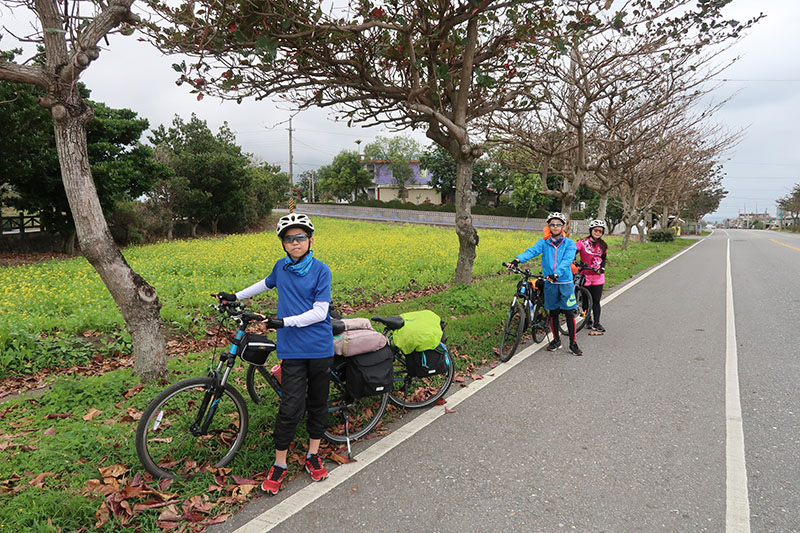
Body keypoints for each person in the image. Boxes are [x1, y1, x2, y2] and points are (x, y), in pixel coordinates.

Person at [217, 213, 333, 495]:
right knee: (290, 407)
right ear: (283, 244)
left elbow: (321, 312)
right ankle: (279, 463)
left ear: (310, 240)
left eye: (300, 237)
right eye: (289, 239)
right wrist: (236, 296)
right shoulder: (281, 268)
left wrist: (284, 321)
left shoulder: (321, 270)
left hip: (319, 347)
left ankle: (313, 454)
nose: (295, 243)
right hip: (292, 349)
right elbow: (264, 284)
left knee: (317, 403)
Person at [507, 212, 582, 356]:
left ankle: (573, 343)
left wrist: (557, 273)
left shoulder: (569, 244)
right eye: (552, 224)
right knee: (553, 313)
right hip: (550, 283)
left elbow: (567, 261)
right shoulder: (544, 242)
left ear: (563, 226)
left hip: (565, 282)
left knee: (568, 313)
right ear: (548, 226)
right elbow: (532, 251)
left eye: (558, 224)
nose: (555, 227)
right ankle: (556, 340)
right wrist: (517, 260)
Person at [575, 219, 608, 334]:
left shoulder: (603, 245)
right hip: (585, 275)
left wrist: (602, 268)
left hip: (598, 276)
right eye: (596, 230)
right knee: (585, 300)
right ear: (591, 230)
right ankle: (587, 319)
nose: (598, 233)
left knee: (596, 300)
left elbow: (603, 259)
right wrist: (575, 262)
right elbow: (573, 252)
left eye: (600, 231)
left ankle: (596, 322)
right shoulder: (582, 242)